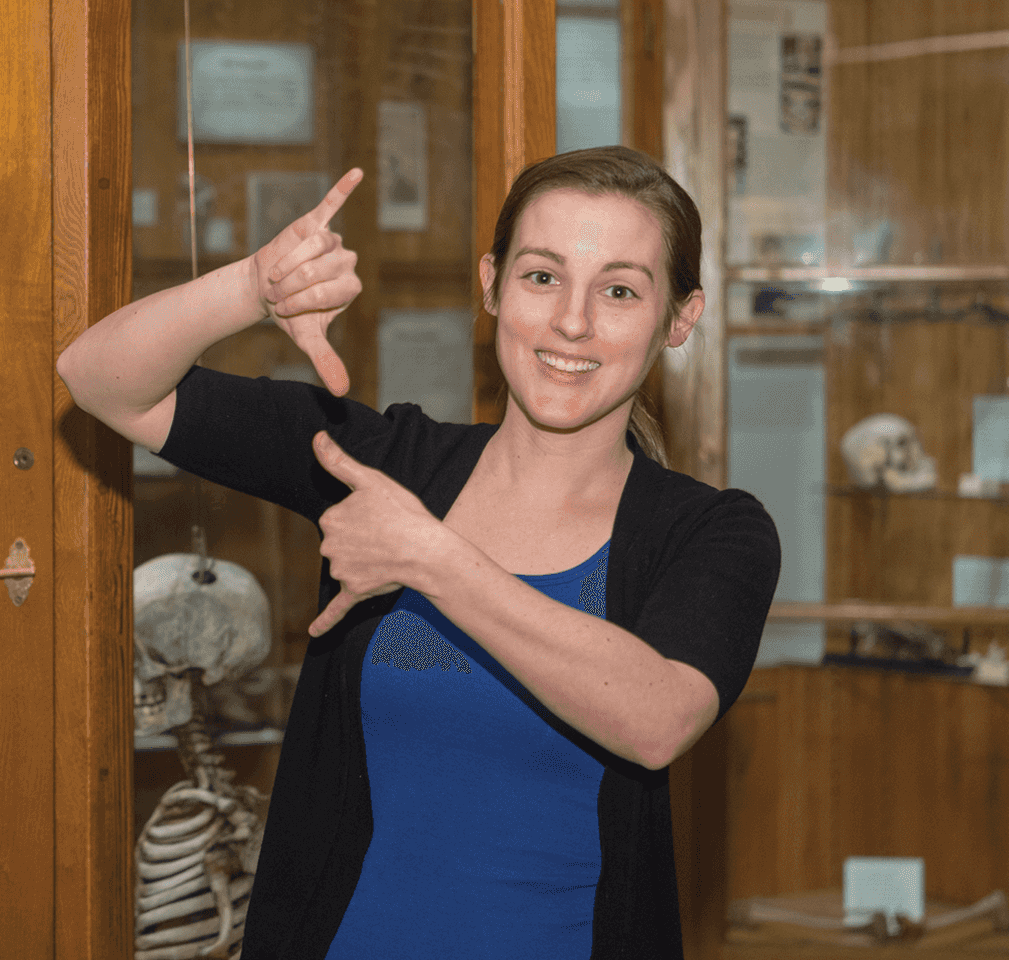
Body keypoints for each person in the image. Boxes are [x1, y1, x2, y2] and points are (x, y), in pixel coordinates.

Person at [58, 145, 779, 958]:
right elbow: (98, 379)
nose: (572, 321)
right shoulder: (384, 463)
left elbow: (658, 718)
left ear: (679, 318)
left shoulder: (712, 532)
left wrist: (431, 559)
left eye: (619, 291)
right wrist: (253, 286)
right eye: (542, 277)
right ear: (492, 285)